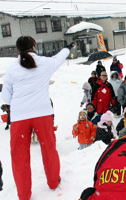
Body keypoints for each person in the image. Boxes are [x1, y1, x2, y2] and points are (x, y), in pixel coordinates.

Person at [1, 36, 73, 200]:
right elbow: (60, 58)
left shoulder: (12, 69)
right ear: (34, 46)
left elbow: (6, 97)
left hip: (20, 117)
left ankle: (24, 194)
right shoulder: (45, 63)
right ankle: (54, 182)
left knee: (19, 156)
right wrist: (68, 48)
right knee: (49, 148)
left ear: (18, 49)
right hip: (42, 113)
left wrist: (20, 103)